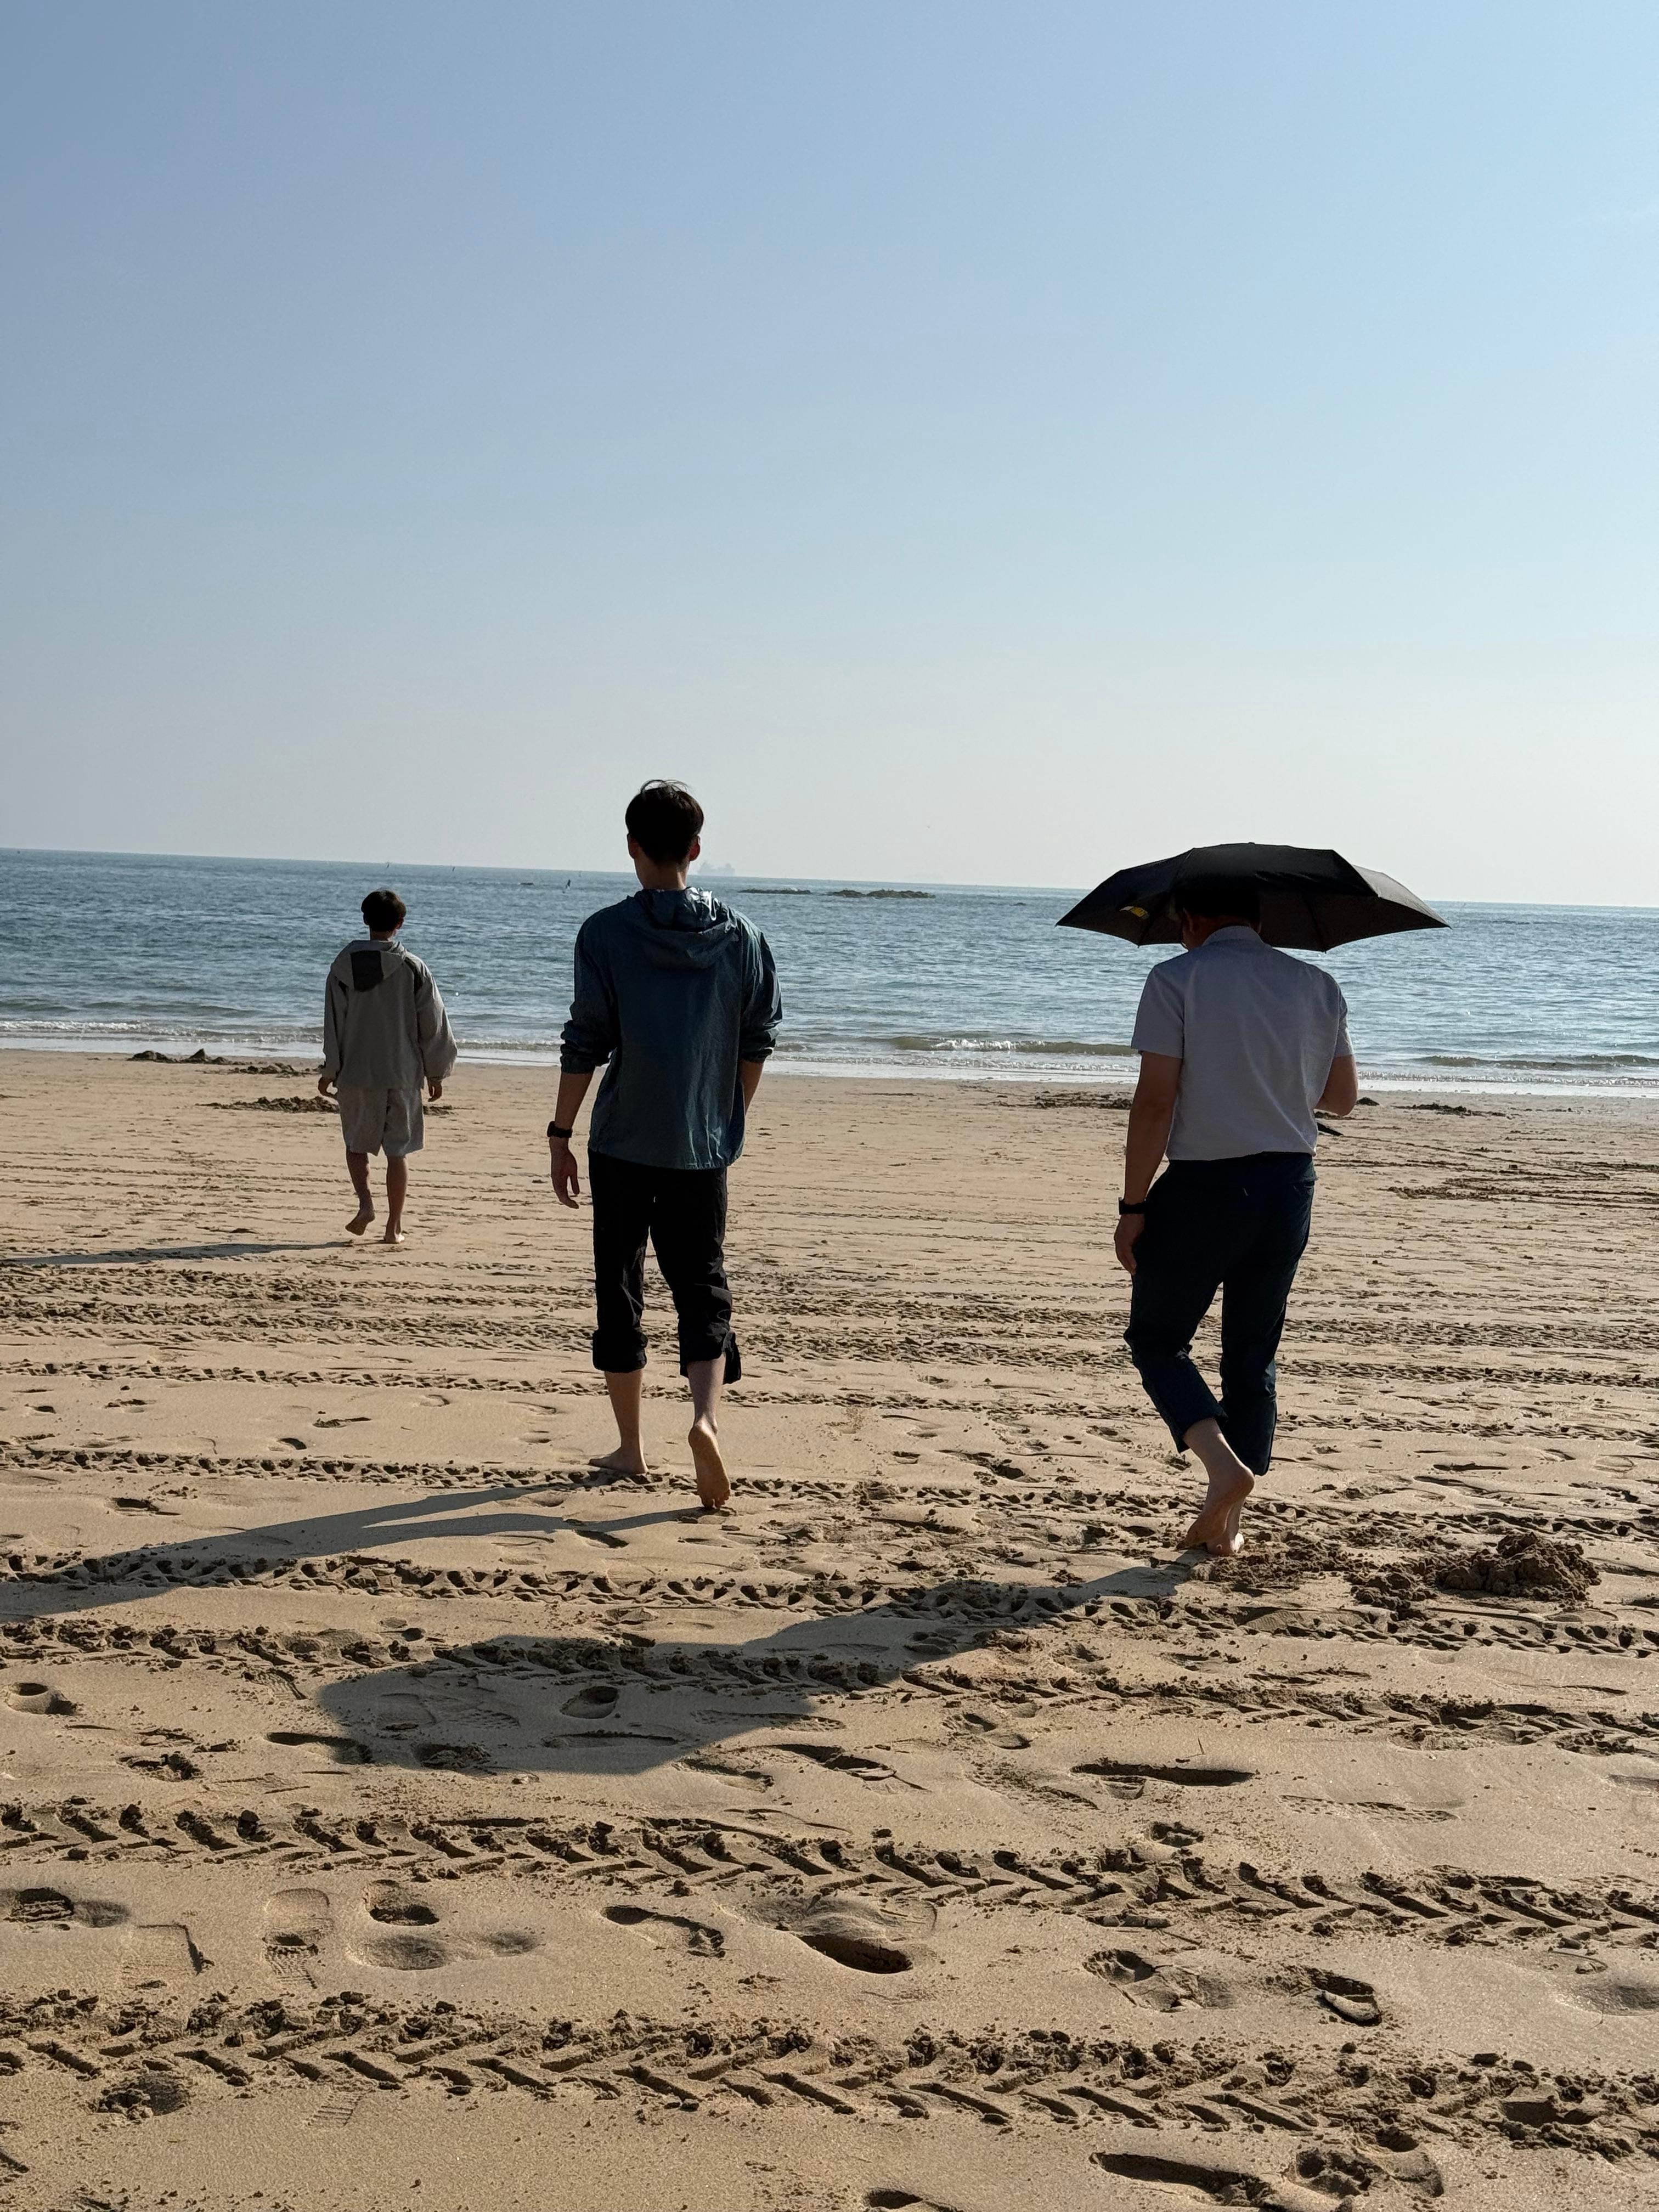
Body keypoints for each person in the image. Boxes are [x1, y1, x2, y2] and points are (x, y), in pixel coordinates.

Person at [549, 781, 781, 1510]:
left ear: (632, 848)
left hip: (622, 1141)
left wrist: (560, 1133)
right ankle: (705, 1421)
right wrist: (725, 1116)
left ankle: (630, 1448)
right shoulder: (742, 936)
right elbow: (757, 1041)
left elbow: (586, 1042)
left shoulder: (605, 934)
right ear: (697, 849)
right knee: (702, 1282)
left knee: (620, 1286)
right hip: (700, 1146)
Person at [1114, 877, 1357, 1557]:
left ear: (1190, 919)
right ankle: (1229, 1520)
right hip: (1289, 1184)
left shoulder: (1176, 978)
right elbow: (1341, 1100)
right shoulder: (1316, 985)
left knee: (1159, 1340)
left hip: (1206, 1187)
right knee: (1252, 1353)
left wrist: (1134, 1206)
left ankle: (1223, 1470)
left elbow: (1155, 1103)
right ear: (1259, 918)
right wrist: (1274, 1075)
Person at [318, 888, 457, 1245]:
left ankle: (365, 1203)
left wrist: (331, 1068)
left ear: (365, 920)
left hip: (357, 1071)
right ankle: (394, 1227)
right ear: (400, 924)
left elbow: (334, 1022)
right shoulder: (413, 967)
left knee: (356, 1144)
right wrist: (436, 1071)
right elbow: (434, 1022)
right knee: (398, 1151)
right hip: (402, 1071)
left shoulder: (342, 967)